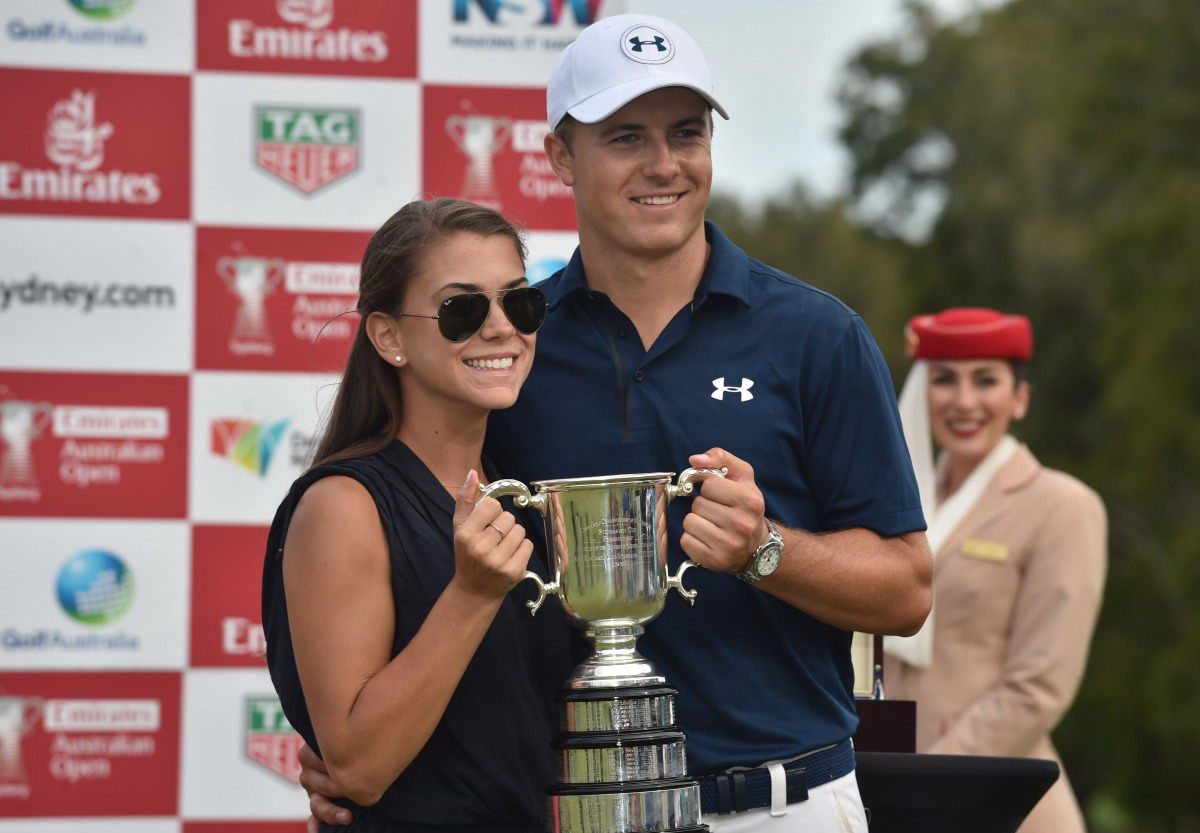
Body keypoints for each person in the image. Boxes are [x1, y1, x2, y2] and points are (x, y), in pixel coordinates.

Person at [303, 14, 932, 832]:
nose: (664, 164)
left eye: (687, 132)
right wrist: (367, 763)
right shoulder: (510, 347)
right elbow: (420, 547)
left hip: (786, 804)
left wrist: (765, 549)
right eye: (627, 136)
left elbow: (909, 588)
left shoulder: (819, 335)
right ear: (561, 156)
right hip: (578, 808)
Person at [261, 197, 573, 831]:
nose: (501, 328)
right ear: (388, 337)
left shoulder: (525, 495)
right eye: (462, 309)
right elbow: (356, 768)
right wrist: (471, 595)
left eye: (520, 302)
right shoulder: (342, 504)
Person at [882, 307, 1107, 833]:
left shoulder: (1063, 505)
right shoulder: (902, 507)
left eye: (986, 380)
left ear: (1019, 398)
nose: (963, 401)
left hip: (996, 801)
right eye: (944, 380)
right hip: (894, 791)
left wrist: (929, 790)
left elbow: (1039, 688)